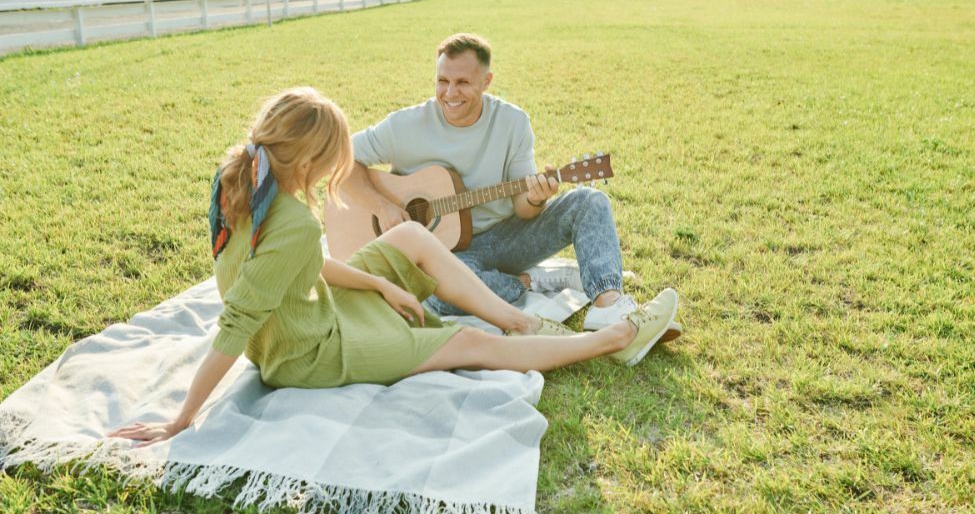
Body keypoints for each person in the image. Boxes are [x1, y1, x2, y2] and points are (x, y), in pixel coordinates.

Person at [108, 87, 678, 447]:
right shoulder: (293, 222)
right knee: (466, 345)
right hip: (314, 354)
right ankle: (617, 339)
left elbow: (299, 271)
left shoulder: (241, 179)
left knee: (407, 234)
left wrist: (380, 280)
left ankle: (522, 321)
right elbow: (235, 324)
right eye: (336, 158)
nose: (341, 169)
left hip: (318, 318)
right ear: (310, 159)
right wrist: (181, 419)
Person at [342, 33, 680, 336]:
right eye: (442, 81)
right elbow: (342, 161)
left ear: (487, 81)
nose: (449, 93)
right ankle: (532, 282)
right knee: (440, 297)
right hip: (440, 254)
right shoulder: (406, 125)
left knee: (589, 201)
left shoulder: (512, 122)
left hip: (504, 237)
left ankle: (608, 305)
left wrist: (535, 199)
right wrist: (382, 206)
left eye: (462, 82)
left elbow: (522, 207)